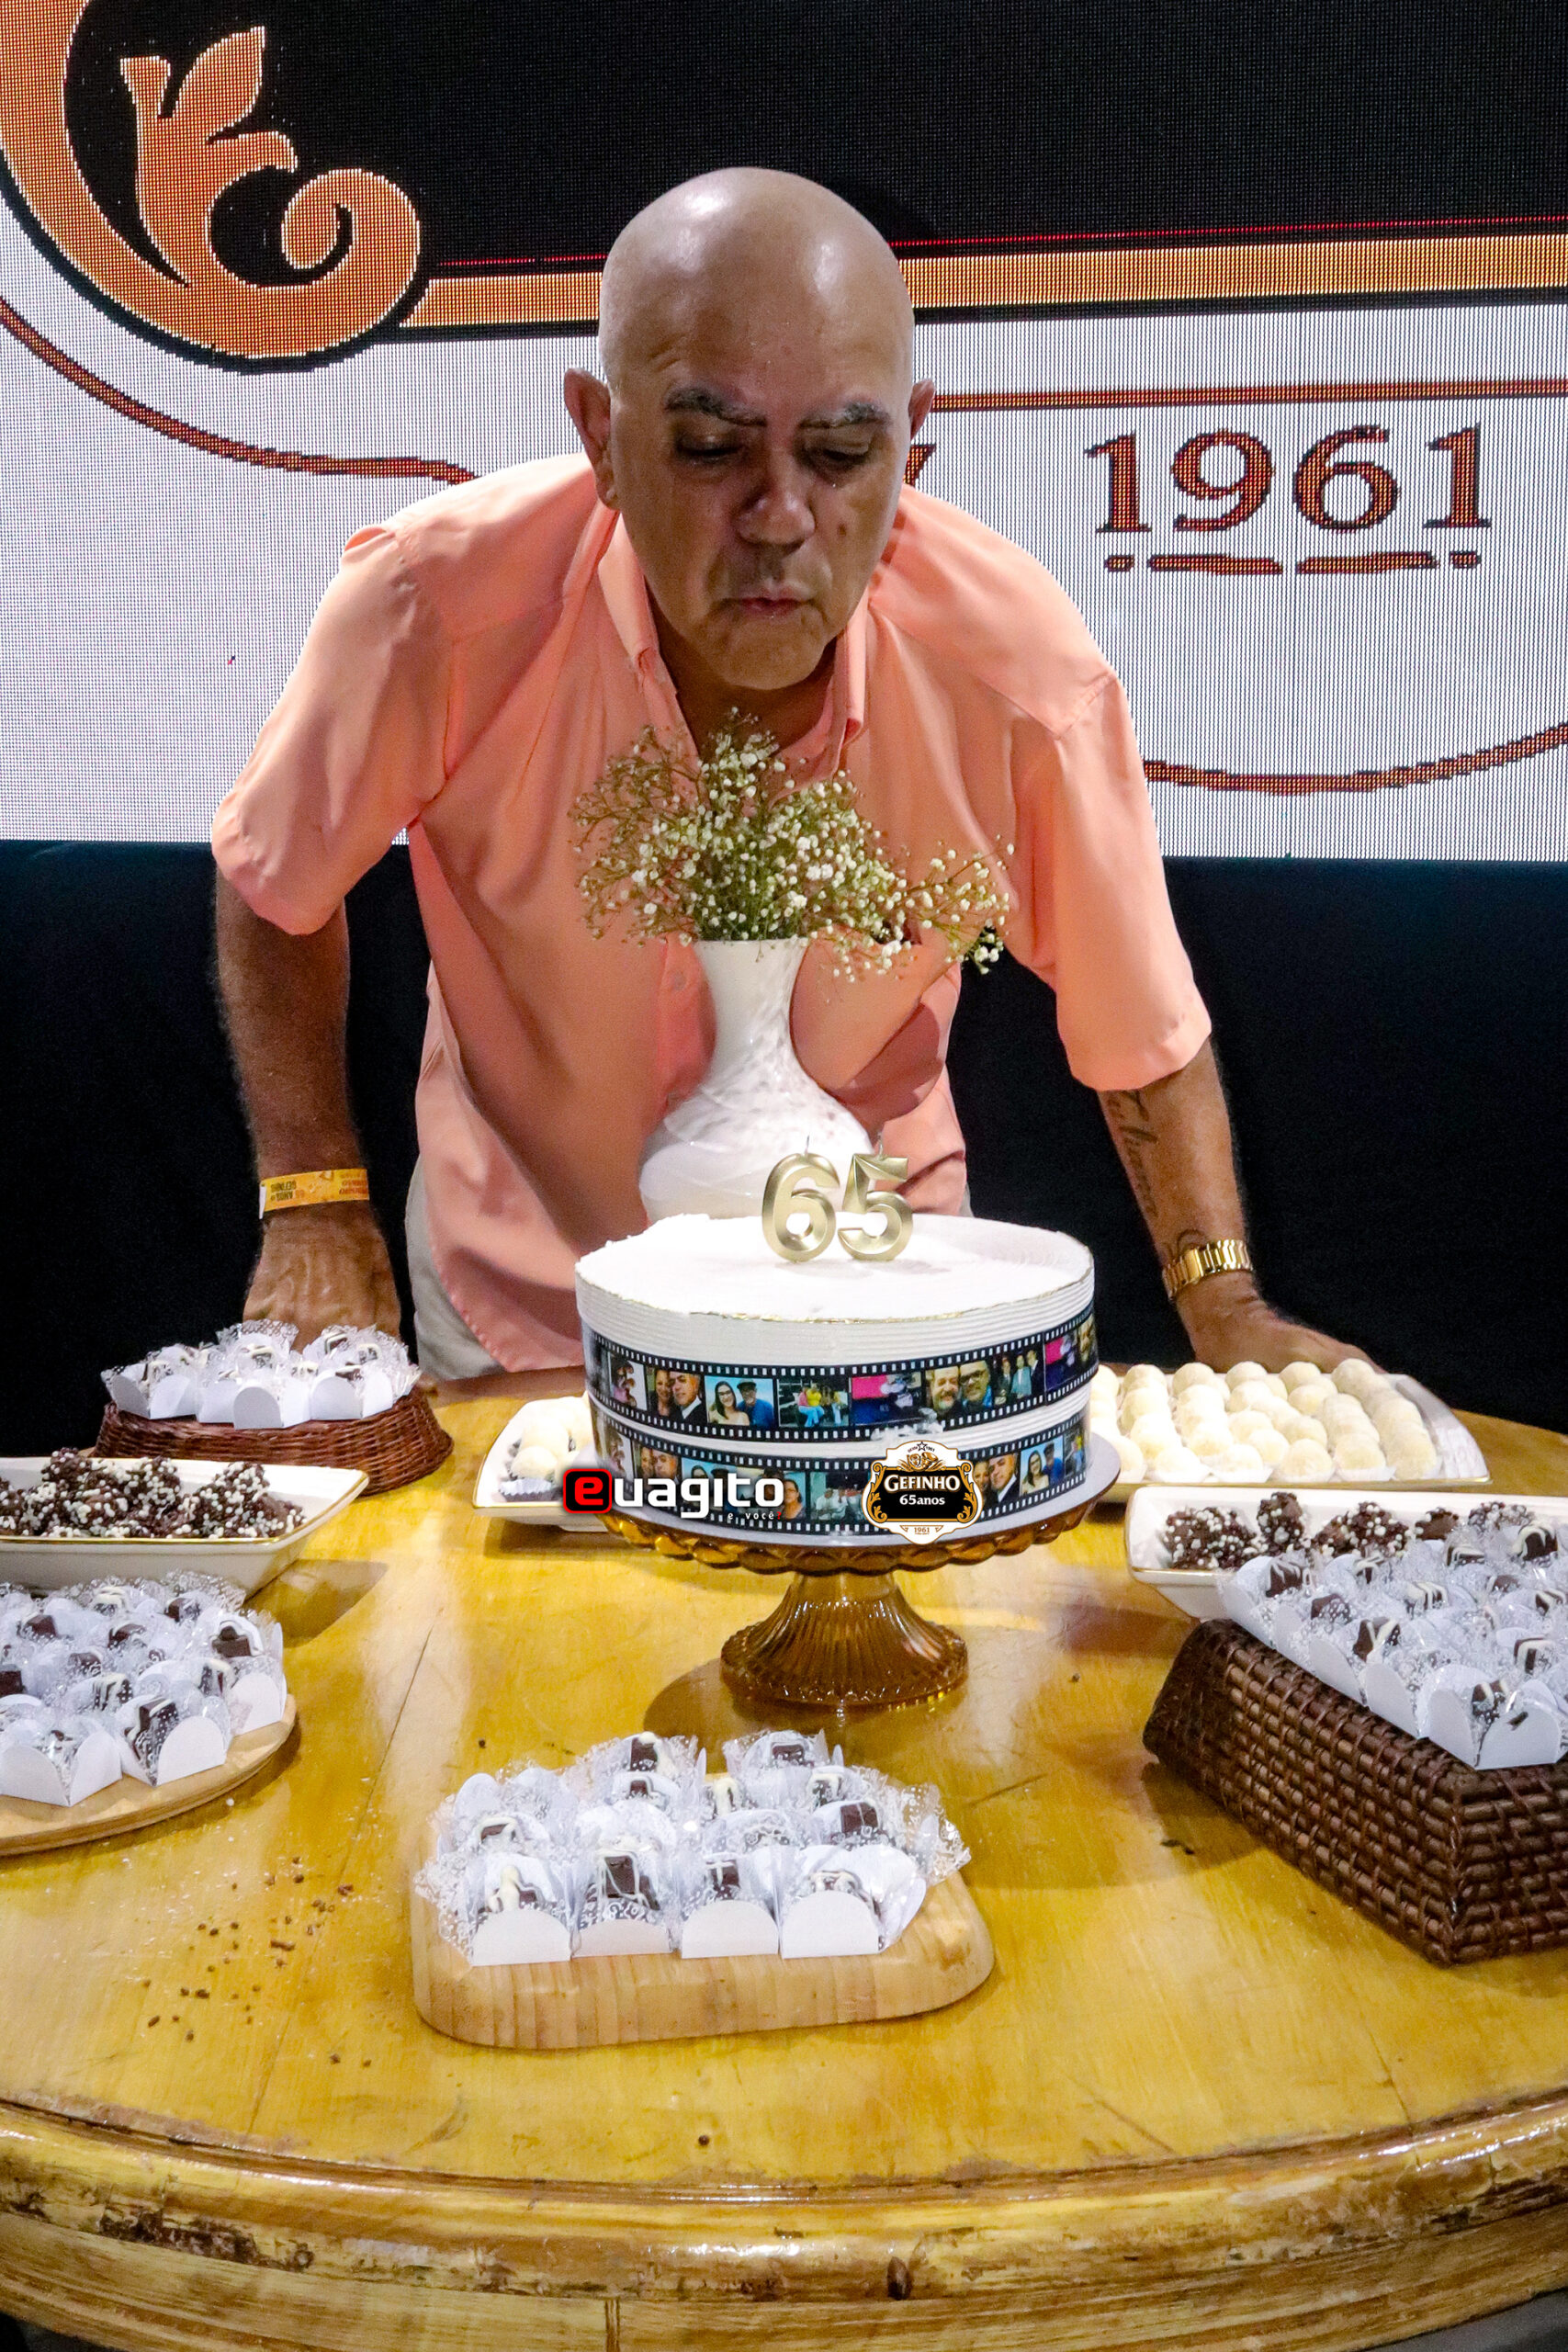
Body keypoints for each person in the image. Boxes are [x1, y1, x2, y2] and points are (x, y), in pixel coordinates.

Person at [212, 167, 1359, 1380]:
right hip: (529, 1297)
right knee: (544, 1520)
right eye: (712, 448)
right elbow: (273, 881)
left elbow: (1138, 1018)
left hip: (877, 1293)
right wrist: (313, 1198)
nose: (778, 517)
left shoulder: (1017, 675)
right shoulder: (435, 605)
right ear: (601, 437)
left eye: (841, 454)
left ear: (910, 444)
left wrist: (1223, 1301)